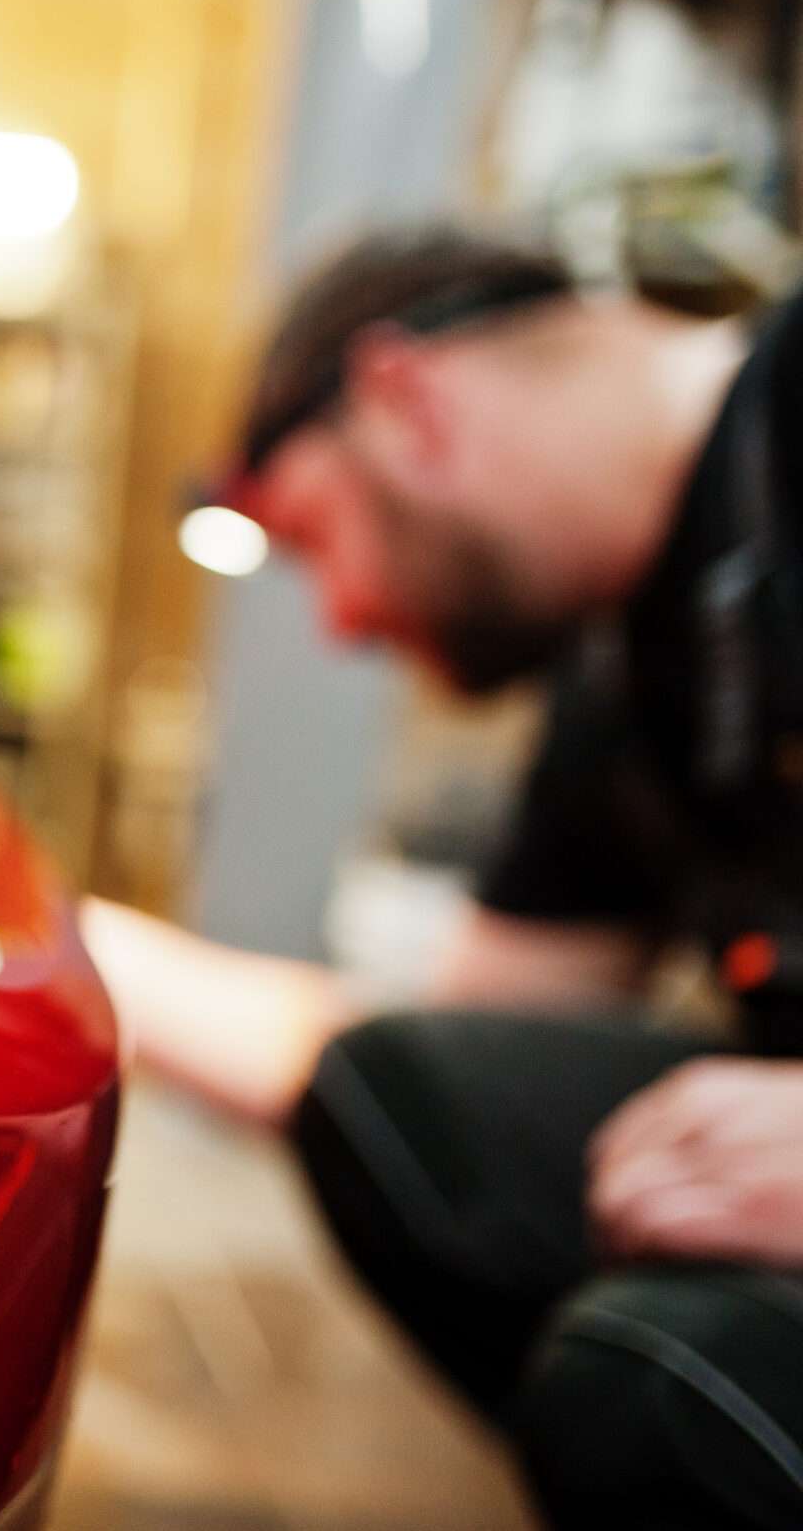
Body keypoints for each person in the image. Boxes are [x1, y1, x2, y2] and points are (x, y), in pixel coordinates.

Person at [85, 226, 803, 1530]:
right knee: (407, 1107)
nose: (343, 619)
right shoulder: (633, 672)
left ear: (407, 404)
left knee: (645, 1388)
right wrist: (55, 947)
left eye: (318, 538)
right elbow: (413, 1047)